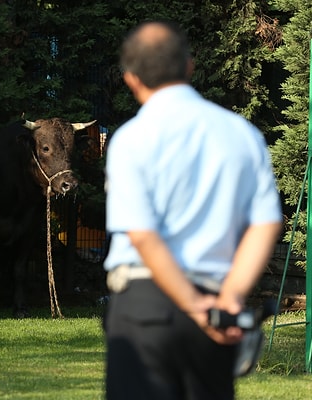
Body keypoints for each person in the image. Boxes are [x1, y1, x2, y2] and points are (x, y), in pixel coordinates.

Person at [103, 21, 283, 400]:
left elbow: (143, 235)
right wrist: (230, 297)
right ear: (190, 66)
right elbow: (266, 223)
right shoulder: (242, 134)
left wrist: (190, 304)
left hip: (144, 307)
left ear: (131, 79)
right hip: (218, 304)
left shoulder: (132, 138)